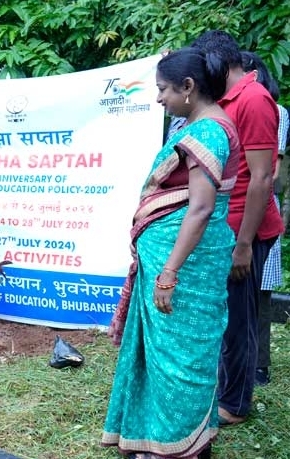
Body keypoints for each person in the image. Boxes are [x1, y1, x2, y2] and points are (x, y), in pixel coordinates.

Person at [102, 47, 239, 459]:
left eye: (163, 89)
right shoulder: (196, 123)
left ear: (188, 87)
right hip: (174, 256)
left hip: (187, 265)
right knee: (160, 354)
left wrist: (169, 273)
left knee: (182, 359)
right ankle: (155, 436)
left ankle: (179, 445)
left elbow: (199, 208)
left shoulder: (209, 131)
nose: (159, 97)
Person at [191, 30, 284, 427]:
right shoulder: (230, 100)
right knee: (226, 315)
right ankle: (225, 390)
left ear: (215, 62)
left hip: (246, 231)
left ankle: (235, 403)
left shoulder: (254, 98)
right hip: (228, 228)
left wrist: (244, 244)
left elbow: (264, 178)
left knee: (240, 320)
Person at [239, 51, 289, 386]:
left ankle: (259, 364)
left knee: (261, 290)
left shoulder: (275, 110)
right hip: (242, 203)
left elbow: (271, 169)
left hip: (261, 204)